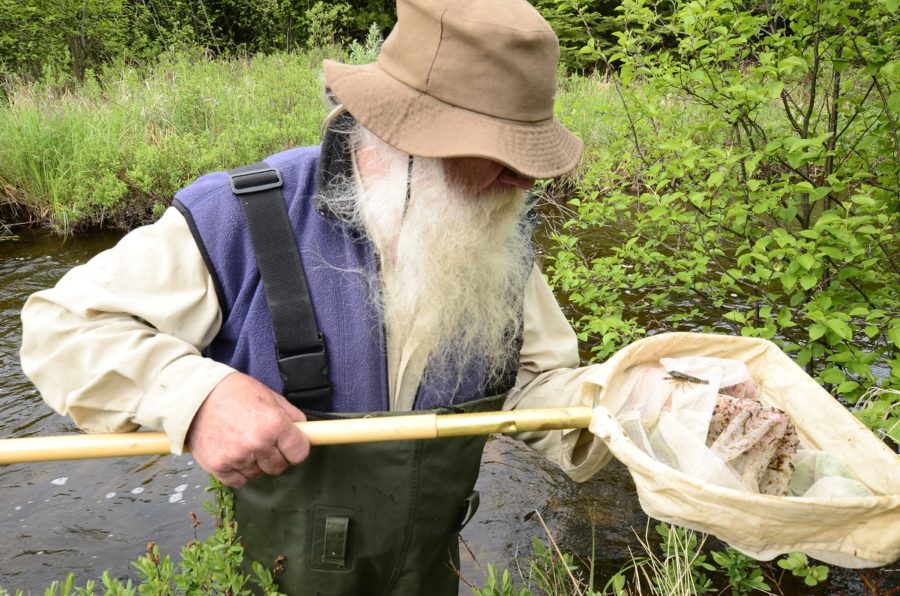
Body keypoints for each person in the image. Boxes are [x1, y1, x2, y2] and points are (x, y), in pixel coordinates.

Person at [20, 0, 607, 593]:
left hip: (429, 574)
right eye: (502, 154)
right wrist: (198, 397)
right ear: (405, 133)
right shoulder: (239, 219)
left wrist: (641, 399)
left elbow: (536, 385)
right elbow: (61, 331)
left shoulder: (495, 237)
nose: (527, 181)